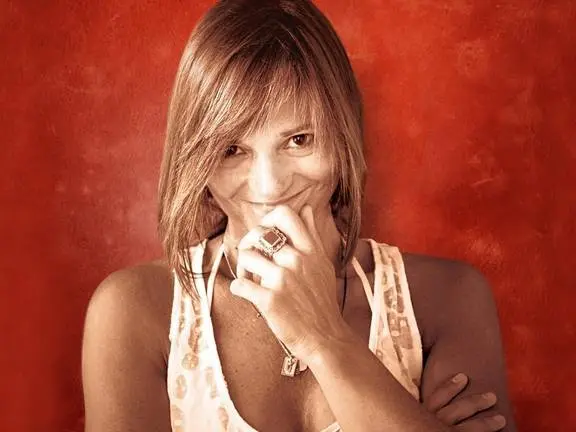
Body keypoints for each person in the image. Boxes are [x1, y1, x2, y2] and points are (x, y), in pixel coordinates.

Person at [82, 0, 517, 430]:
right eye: (232, 149)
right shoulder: (135, 311)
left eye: (299, 140)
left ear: (343, 131)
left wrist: (323, 337)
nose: (269, 187)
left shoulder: (445, 299)